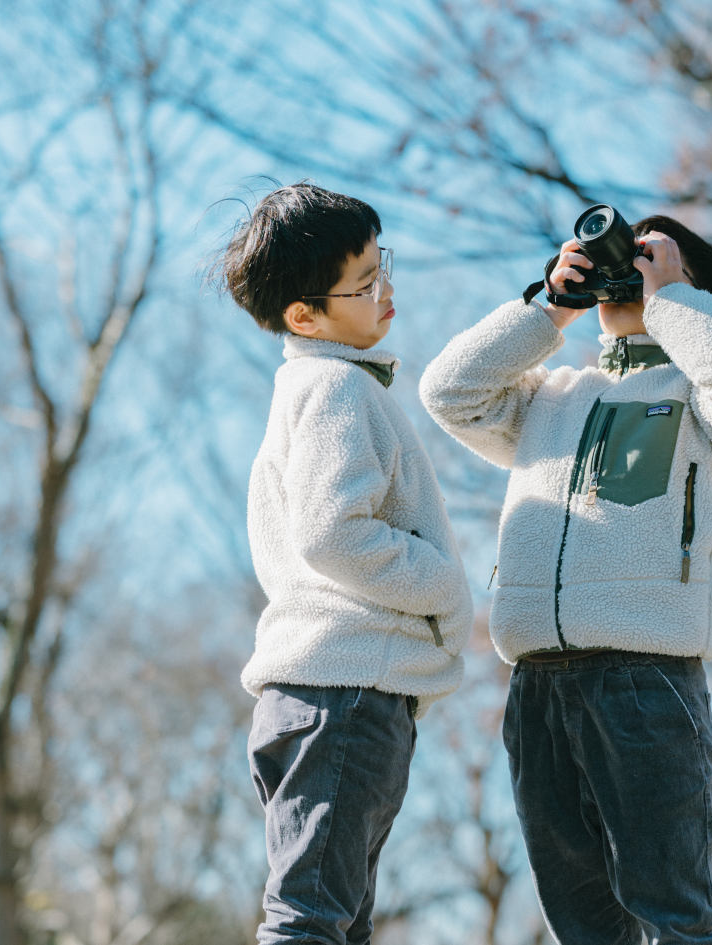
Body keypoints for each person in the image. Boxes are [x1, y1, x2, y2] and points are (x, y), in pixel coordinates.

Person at [419, 211, 712, 944]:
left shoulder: (706, 403)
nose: (632, 266)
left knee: (676, 912)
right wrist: (548, 307)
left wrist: (673, 299)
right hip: (537, 687)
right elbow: (448, 390)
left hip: (646, 681)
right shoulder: (551, 395)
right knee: (582, 926)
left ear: (697, 294)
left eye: (654, 257)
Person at [215, 182, 473, 945]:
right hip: (345, 689)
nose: (385, 289)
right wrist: (444, 583)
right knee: (309, 922)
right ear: (305, 315)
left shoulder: (308, 389)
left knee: (336, 922)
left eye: (381, 266)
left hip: (322, 691)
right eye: (364, 284)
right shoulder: (334, 388)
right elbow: (334, 533)